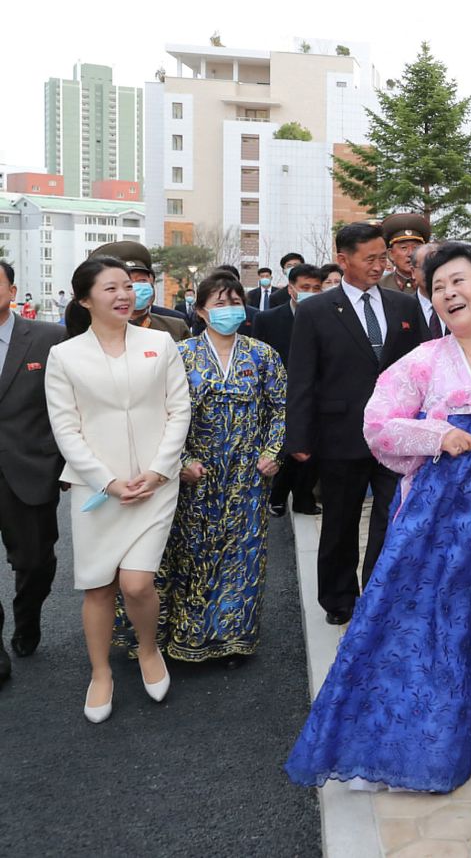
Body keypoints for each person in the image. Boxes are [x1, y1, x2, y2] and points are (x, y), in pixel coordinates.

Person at [285, 242, 471, 793]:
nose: (449, 293)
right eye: (438, 286)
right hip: (441, 518)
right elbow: (378, 425)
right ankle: (438, 727)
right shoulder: (422, 361)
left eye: (459, 281)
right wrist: (435, 435)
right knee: (439, 610)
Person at [46, 257, 192, 723]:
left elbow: (179, 410)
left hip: (153, 482)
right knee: (99, 586)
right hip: (99, 489)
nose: (125, 295)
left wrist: (159, 471)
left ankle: (149, 650)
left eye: (128, 286)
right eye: (111, 288)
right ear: (85, 299)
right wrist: (105, 480)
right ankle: (100, 673)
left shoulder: (159, 343)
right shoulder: (65, 355)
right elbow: (66, 428)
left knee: (137, 581)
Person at [285, 222, 426, 625]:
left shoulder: (403, 306)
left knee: (389, 514)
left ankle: (379, 594)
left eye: (383, 257)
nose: (379, 265)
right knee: (341, 520)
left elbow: (417, 370)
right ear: (343, 260)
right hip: (339, 433)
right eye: (371, 258)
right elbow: (302, 376)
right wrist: (299, 435)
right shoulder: (315, 309)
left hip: (395, 434)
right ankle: (338, 597)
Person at [152, 272, 285, 662]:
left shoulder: (263, 355)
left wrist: (273, 452)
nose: (229, 310)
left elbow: (280, 408)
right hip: (199, 475)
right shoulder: (180, 355)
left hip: (248, 474)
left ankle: (235, 635)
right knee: (195, 551)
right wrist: (181, 461)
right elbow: (160, 413)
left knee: (243, 553)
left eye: (234, 302)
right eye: (220, 303)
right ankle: (190, 635)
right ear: (201, 311)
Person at [0, 260, 68, 687]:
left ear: (12, 289)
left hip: (30, 468)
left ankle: (27, 621)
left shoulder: (48, 339)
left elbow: (67, 406)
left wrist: (67, 463)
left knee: (36, 561)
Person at [256, 264, 325, 518]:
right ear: (291, 288)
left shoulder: (327, 316)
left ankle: (304, 498)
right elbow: (260, 358)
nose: (310, 292)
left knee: (313, 451)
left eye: (316, 288)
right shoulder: (269, 318)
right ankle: (277, 497)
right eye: (305, 287)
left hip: (318, 393)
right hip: (280, 394)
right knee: (286, 447)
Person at [88, 241, 189, 342]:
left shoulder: (175, 328)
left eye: (142, 280)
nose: (135, 288)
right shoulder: (89, 330)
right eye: (128, 283)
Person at [378, 213, 429, 295]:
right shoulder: (379, 286)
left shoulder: (433, 283)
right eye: (404, 248)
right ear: (390, 254)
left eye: (416, 248)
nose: (411, 254)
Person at [410, 242, 446, 338]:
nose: (431, 273)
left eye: (436, 267)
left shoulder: (458, 304)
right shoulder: (404, 308)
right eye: (425, 267)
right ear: (413, 272)